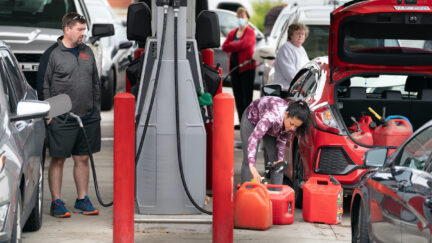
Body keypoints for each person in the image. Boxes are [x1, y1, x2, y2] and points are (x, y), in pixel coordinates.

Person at [37, 12, 101, 218]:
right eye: (80, 29)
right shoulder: (52, 54)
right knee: (58, 159)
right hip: (61, 116)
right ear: (67, 29)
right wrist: (49, 113)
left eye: (84, 29)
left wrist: (96, 110)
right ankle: (56, 202)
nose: (83, 33)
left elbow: (95, 83)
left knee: (82, 158)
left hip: (87, 115)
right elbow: (43, 85)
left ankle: (82, 199)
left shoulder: (87, 52)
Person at [240, 96, 311, 184]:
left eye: (296, 126)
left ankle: (277, 193)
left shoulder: (290, 124)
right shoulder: (272, 117)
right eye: (291, 124)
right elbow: (254, 138)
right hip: (252, 119)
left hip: (272, 128)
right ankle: (245, 191)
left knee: (277, 162)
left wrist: (280, 159)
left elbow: (282, 139)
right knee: (250, 159)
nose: (292, 128)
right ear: (286, 114)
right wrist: (252, 167)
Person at [222, 7, 257, 124]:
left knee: (246, 97)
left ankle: (248, 121)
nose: (241, 19)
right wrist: (236, 44)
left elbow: (245, 44)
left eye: (243, 17)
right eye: (239, 17)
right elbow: (224, 47)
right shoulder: (232, 33)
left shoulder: (250, 32)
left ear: (247, 19)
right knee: (237, 96)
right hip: (234, 69)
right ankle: (242, 121)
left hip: (247, 68)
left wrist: (233, 45)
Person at [274, 22, 309, 90]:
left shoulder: (301, 49)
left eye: (302, 34)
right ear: (291, 35)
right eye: (297, 33)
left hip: (298, 89)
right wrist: (303, 85)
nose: (300, 36)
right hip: (286, 90)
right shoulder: (286, 49)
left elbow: (307, 67)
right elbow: (290, 75)